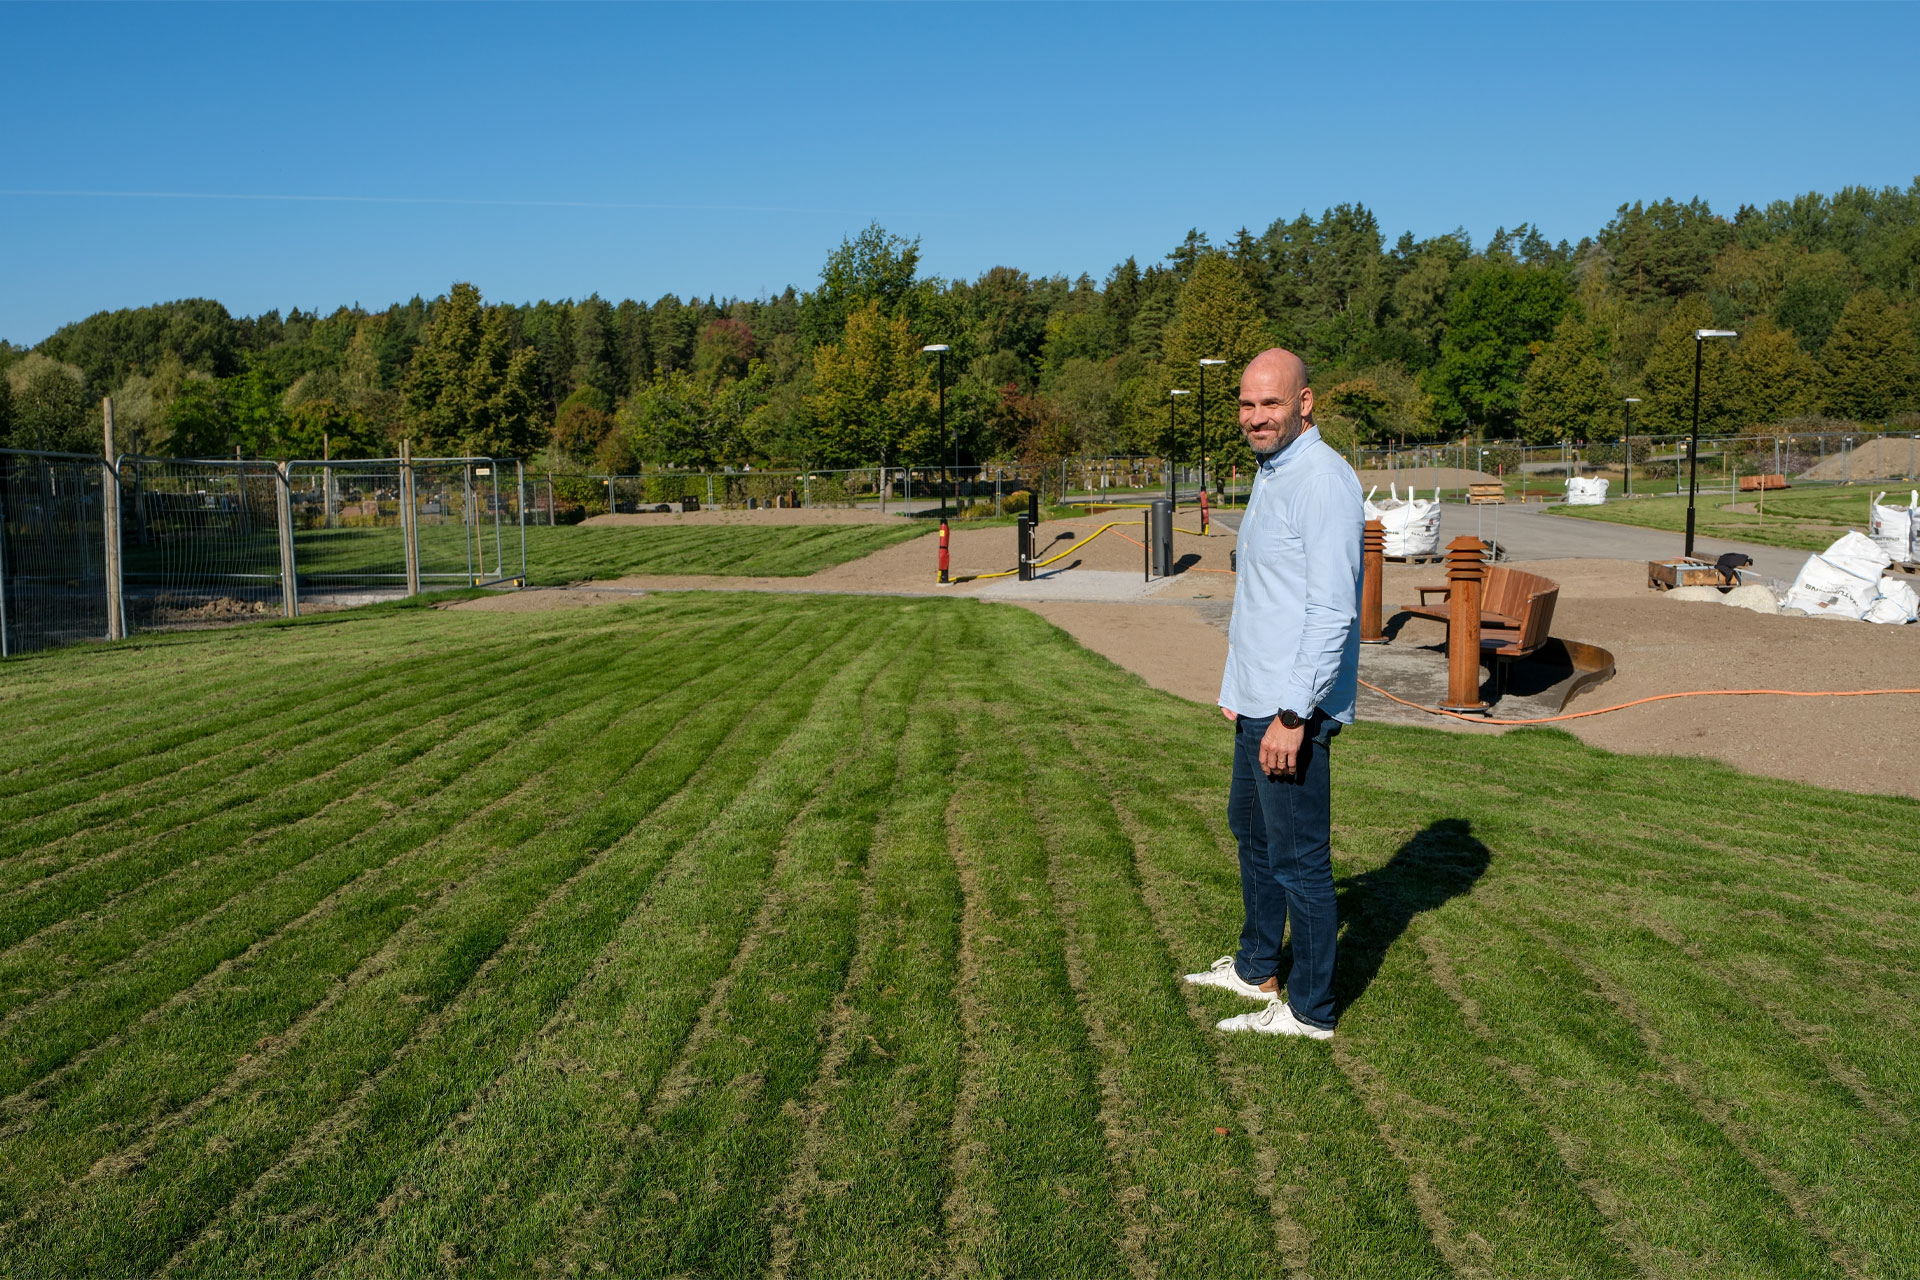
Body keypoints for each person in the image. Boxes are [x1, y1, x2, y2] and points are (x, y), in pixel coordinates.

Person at [1183, 348, 1362, 1040]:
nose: (1256, 417)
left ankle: (1312, 1010)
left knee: (1298, 857)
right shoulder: (1274, 472)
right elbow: (1268, 597)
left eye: (1271, 404)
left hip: (1291, 707)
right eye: (1247, 404)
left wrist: (1292, 714)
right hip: (1256, 699)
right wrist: (1240, 692)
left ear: (1305, 403)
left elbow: (1330, 611)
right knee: (1252, 833)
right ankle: (1258, 964)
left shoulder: (1321, 479)